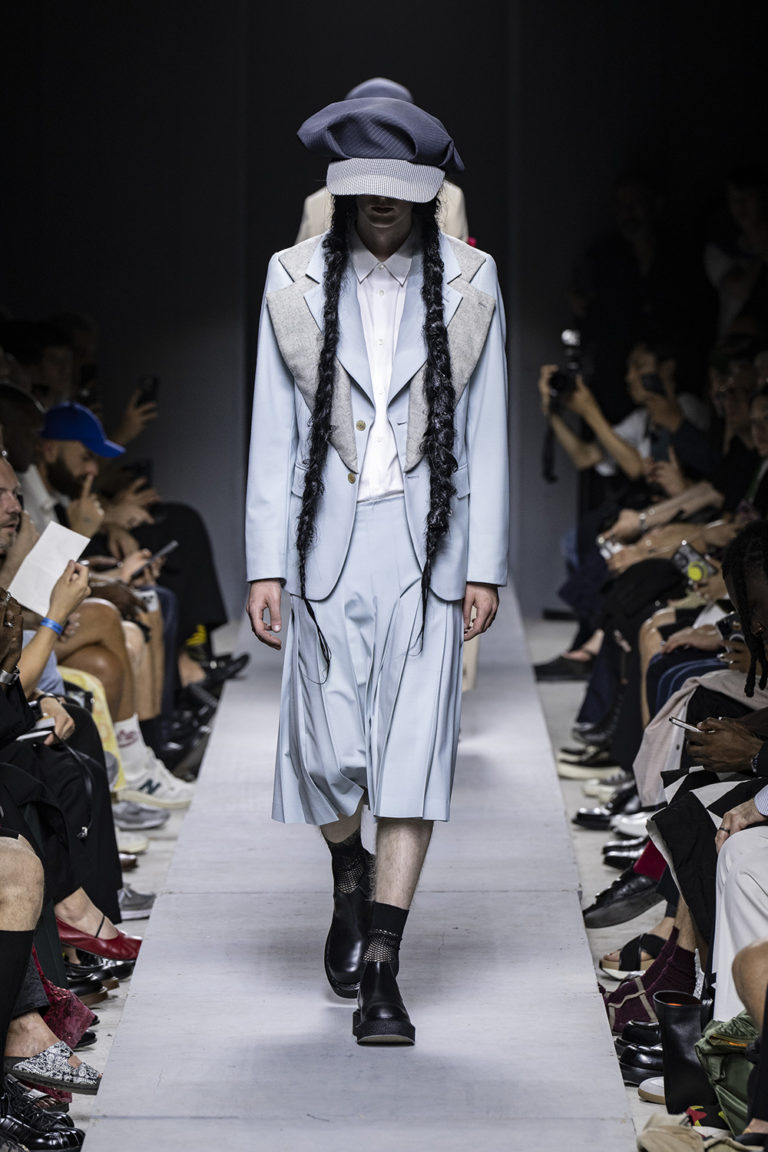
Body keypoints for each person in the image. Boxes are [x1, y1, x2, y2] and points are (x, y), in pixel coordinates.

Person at [246, 96, 508, 1045]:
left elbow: (487, 425)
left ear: (427, 189)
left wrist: (486, 565)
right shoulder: (291, 278)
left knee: (412, 756)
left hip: (430, 543)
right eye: (367, 186)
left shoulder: (473, 280)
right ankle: (347, 868)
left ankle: (384, 967)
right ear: (343, 188)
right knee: (322, 755)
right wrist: (263, 564)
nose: (383, 202)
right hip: (323, 538)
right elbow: (275, 429)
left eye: (399, 186)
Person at [295, 78, 469, 245]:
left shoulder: (317, 203)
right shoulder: (316, 205)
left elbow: (457, 258)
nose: (382, 197)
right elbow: (305, 260)